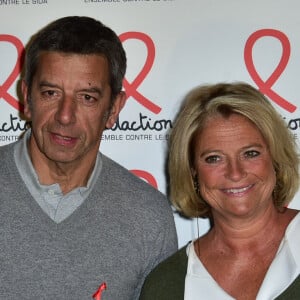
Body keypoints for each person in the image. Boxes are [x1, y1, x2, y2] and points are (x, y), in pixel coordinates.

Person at [0, 16, 178, 299]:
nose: (65, 115)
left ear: (114, 109)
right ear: (26, 97)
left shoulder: (148, 217)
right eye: (50, 92)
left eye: (87, 98)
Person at [140, 82, 300, 300]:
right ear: (192, 170)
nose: (235, 173)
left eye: (250, 154)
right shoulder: (167, 286)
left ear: (274, 156)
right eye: (214, 158)